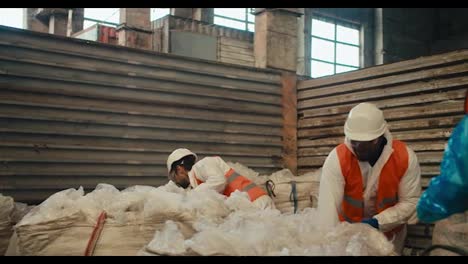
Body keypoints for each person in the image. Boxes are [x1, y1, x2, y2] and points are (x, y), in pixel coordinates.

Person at [317, 102, 422, 255]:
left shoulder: (405, 157)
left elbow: (411, 202)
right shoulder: (338, 159)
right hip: (348, 235)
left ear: (379, 137)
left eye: (365, 143)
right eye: (354, 141)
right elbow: (328, 212)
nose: (358, 147)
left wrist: (378, 223)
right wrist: (329, 246)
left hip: (389, 237)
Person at [166, 148, 275, 210]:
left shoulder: (203, 164)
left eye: (174, 176)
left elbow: (219, 181)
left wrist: (192, 195)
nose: (176, 181)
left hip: (257, 203)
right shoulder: (198, 178)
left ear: (179, 169)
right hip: (251, 205)